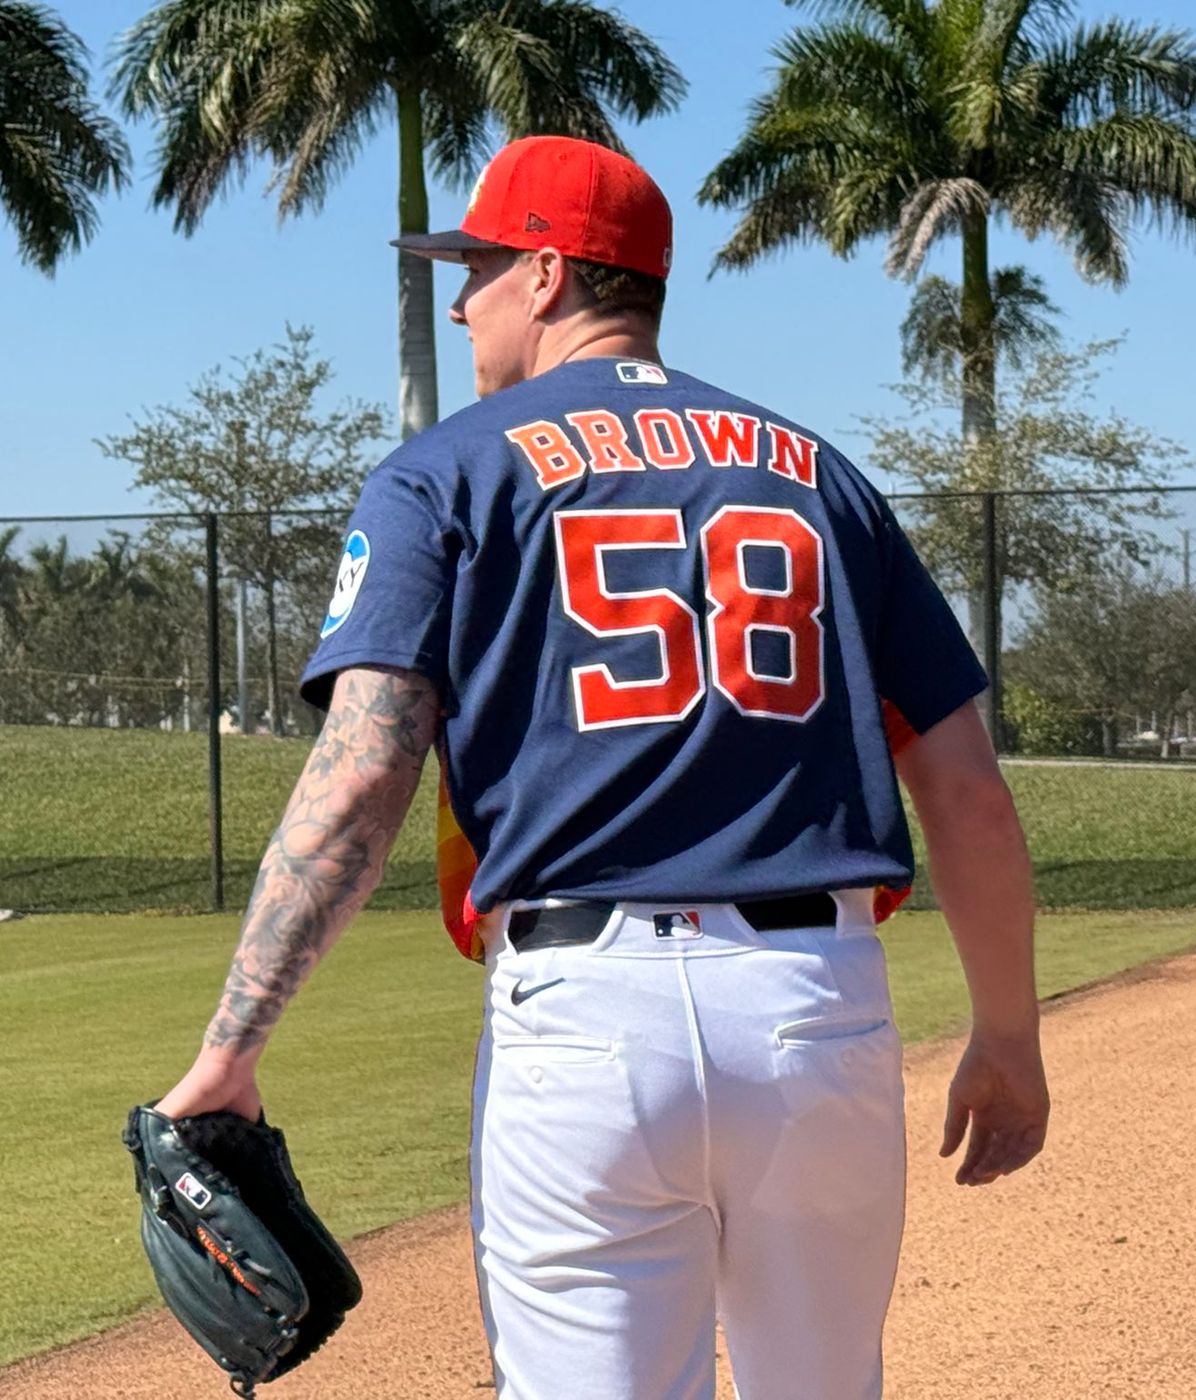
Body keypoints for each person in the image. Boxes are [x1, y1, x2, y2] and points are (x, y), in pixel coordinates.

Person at [154, 134, 1049, 1400]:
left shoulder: (444, 473)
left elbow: (359, 775)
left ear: (547, 273)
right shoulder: (823, 480)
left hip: (585, 1021)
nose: (459, 303)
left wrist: (231, 1045)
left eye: (475, 268)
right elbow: (965, 789)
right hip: (813, 1005)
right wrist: (1005, 1031)